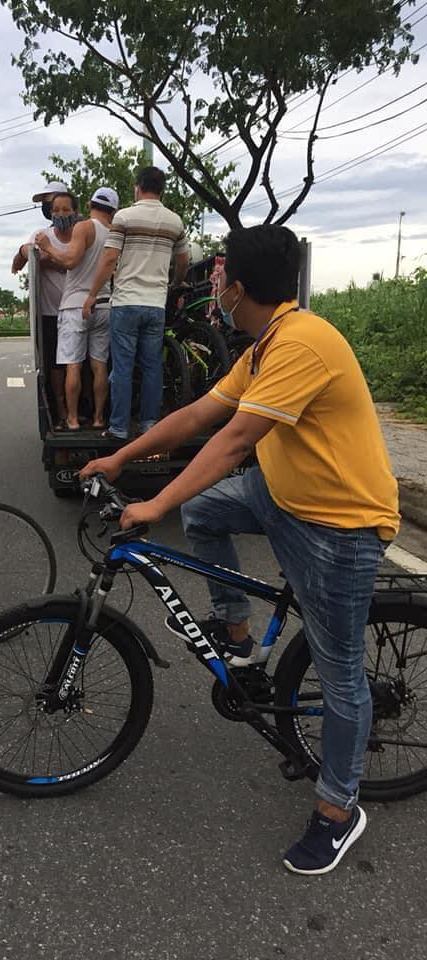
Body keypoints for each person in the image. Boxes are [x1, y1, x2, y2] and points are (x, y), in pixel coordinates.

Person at [80, 224, 399, 876]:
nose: (212, 284)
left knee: (340, 676)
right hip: (282, 496)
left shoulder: (303, 344)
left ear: (240, 287)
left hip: (339, 524)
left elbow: (231, 442)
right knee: (205, 509)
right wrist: (120, 455)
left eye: (219, 275)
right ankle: (241, 635)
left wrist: (153, 503)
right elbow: (199, 417)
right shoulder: (266, 343)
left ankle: (339, 808)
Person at [83, 166, 193, 440]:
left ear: (137, 187)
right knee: (152, 366)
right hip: (155, 304)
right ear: (162, 189)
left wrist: (92, 295)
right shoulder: (174, 222)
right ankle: (148, 425)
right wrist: (176, 282)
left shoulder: (124, 217)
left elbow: (109, 259)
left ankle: (119, 427)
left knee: (122, 366)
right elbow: (183, 259)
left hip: (126, 303)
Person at [35, 187, 118, 430]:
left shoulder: (84, 227)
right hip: (104, 305)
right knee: (99, 365)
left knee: (73, 365)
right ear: (113, 210)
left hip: (74, 306)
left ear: (90, 206)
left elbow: (70, 260)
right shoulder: (113, 233)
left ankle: (71, 418)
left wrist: (47, 247)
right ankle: (98, 418)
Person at [12, 190, 78, 428]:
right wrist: (23, 252)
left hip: (78, 312)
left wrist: (52, 259)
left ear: (74, 210)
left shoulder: (83, 234)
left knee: (79, 364)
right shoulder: (41, 236)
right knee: (54, 366)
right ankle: (61, 412)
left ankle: (80, 412)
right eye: (53, 208)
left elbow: (75, 259)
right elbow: (24, 258)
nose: (58, 212)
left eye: (63, 208)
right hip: (50, 314)